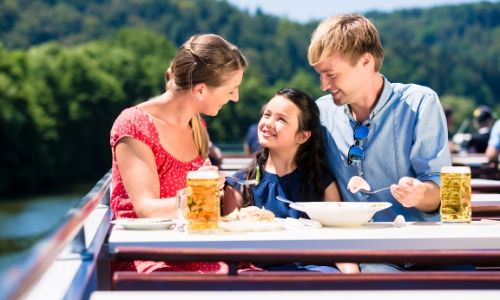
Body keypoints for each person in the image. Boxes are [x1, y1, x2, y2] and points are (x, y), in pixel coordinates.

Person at [308, 15, 458, 272]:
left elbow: (442, 191)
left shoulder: (421, 103)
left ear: (365, 62)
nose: (323, 85)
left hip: (423, 253)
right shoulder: (321, 114)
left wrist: (421, 194)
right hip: (361, 256)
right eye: (320, 75)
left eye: (330, 74)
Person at [109, 33, 247, 273]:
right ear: (201, 90)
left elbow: (199, 207)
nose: (236, 98)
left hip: (191, 245)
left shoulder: (197, 126)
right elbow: (146, 209)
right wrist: (201, 195)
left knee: (255, 276)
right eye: (232, 89)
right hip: (149, 254)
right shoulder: (134, 124)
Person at [223, 88, 359, 273]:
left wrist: (352, 280)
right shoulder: (239, 185)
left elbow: (338, 245)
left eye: (281, 119)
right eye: (267, 115)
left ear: (303, 136)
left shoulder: (321, 183)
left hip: (317, 274)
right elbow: (232, 252)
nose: (268, 124)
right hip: (261, 277)